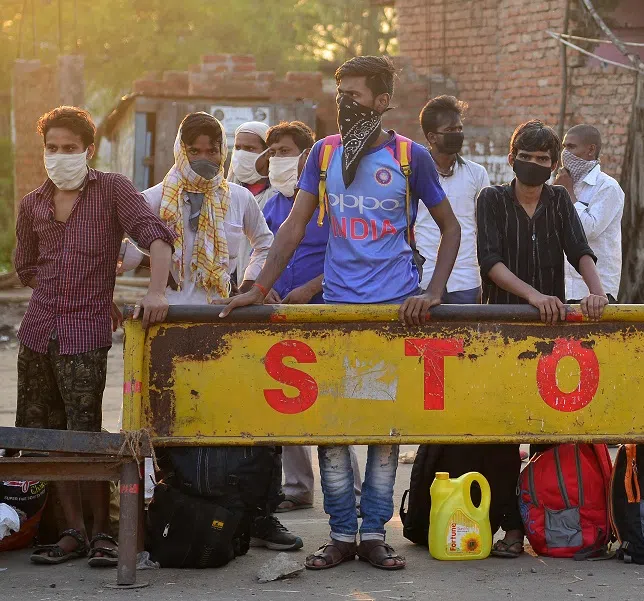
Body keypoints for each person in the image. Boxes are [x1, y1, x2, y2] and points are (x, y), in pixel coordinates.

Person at [218, 55, 461, 571]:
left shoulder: (408, 156)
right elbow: (293, 229)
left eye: (355, 93)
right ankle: (340, 536)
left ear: (381, 100)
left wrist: (434, 291)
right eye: (339, 92)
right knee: (332, 431)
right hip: (335, 315)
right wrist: (259, 288)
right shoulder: (323, 154)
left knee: (381, 432)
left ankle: (374, 535)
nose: (344, 101)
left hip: (393, 314)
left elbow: (451, 228)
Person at [120, 112, 303, 552]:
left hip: (226, 325)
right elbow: (122, 252)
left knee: (247, 419)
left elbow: (266, 243)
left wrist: (250, 285)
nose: (205, 158)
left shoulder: (239, 198)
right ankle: (174, 511)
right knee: (166, 422)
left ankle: (259, 515)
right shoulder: (150, 198)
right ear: (181, 150)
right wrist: (148, 266)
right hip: (167, 329)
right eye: (196, 150)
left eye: (212, 150)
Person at [15, 106, 174, 567]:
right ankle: (69, 532)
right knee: (43, 435)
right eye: (52, 148)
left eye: (69, 148)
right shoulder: (33, 204)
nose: (60, 156)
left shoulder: (112, 191)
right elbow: (26, 266)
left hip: (85, 334)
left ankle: (103, 533)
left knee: (83, 432)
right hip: (38, 330)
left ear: (88, 150)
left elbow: (156, 235)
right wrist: (64, 286)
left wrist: (157, 292)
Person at [475, 119, 608, 558]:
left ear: (554, 165)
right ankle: (511, 529)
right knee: (503, 436)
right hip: (502, 329)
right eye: (526, 157)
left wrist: (596, 291)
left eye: (543, 159)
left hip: (552, 334)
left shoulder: (558, 200)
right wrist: (533, 295)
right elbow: (490, 261)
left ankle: (549, 523)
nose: (534, 165)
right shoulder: (491, 199)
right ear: (513, 157)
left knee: (549, 432)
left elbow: (579, 250)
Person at [258, 120, 363, 513]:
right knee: (287, 399)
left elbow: (346, 251)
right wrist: (261, 287)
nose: (278, 159)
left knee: (329, 401)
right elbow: (263, 253)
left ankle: (349, 492)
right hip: (281, 315)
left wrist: (310, 289)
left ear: (307, 155)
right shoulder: (271, 203)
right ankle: (298, 487)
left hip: (322, 311)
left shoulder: (329, 197)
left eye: (286, 151)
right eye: (274, 153)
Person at [416, 95, 489, 303]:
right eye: (449, 131)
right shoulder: (413, 174)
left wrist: (484, 280)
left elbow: (484, 229)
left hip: (467, 280)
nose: (457, 134)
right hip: (424, 278)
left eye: (459, 129)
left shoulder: (477, 174)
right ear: (431, 137)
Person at [554, 124, 624, 303]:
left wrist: (567, 193)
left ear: (590, 150)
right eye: (564, 147)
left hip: (596, 293)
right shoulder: (562, 182)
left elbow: (587, 230)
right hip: (564, 290)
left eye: (571, 147)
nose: (565, 153)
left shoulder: (607, 187)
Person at [227, 121, 278, 286]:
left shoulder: (279, 194)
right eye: (238, 147)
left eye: (250, 149)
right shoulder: (227, 192)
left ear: (268, 153)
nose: (241, 154)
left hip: (267, 285)